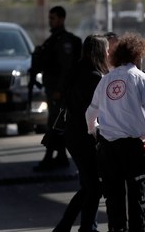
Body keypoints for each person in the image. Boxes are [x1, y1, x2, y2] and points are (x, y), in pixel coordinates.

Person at [85, 32, 145, 232]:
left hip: (107, 147)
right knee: (136, 195)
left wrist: (93, 132)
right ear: (138, 55)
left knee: (113, 198)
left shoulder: (105, 80)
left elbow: (90, 113)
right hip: (131, 146)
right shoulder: (141, 78)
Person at [53, 34, 110, 232]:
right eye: (107, 50)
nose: (109, 53)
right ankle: (73, 227)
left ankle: (80, 227)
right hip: (85, 136)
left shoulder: (75, 71)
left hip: (73, 135)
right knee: (93, 187)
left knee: (90, 186)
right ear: (100, 52)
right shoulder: (94, 77)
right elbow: (98, 109)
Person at [33, 5, 82, 172]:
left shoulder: (65, 41)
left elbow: (66, 68)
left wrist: (59, 90)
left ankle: (50, 157)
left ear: (61, 19)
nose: (50, 21)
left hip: (59, 91)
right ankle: (60, 157)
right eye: (49, 18)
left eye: (53, 18)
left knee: (55, 123)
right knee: (56, 123)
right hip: (53, 89)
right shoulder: (53, 40)